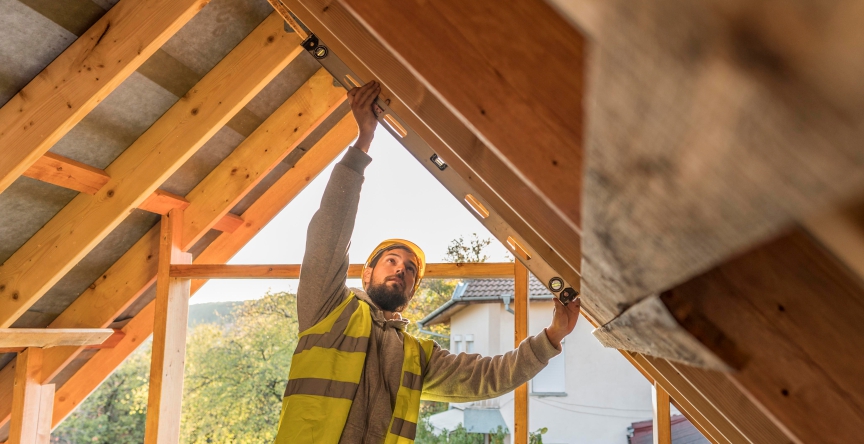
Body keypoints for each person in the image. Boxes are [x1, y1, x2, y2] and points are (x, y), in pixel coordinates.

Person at [274, 80, 582, 444]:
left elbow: (488, 377)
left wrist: (553, 337)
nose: (401, 269)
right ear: (366, 273)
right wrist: (362, 143)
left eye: (409, 270)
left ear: (410, 294)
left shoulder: (415, 356)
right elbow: (329, 232)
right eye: (391, 260)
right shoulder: (328, 309)